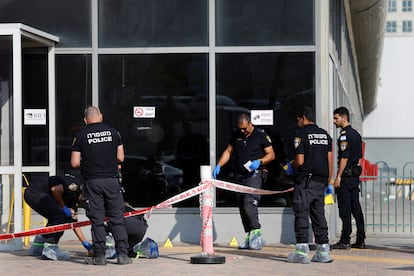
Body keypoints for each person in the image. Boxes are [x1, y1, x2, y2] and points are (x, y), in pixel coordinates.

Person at [71, 106, 131, 265]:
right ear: (101, 117)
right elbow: (121, 158)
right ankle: (123, 255)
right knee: (117, 219)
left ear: (85, 120)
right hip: (111, 182)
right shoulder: (114, 133)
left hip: (92, 183)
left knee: (97, 220)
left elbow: (75, 162)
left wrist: (89, 161)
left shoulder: (81, 136)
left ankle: (99, 257)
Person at [212, 113, 275, 250]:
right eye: (240, 129)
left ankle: (257, 233)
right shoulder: (237, 134)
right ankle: (249, 233)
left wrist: (260, 161)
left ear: (250, 124)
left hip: (255, 174)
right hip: (240, 175)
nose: (242, 131)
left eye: (245, 129)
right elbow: (228, 151)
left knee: (249, 202)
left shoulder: (260, 135)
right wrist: (219, 165)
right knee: (242, 204)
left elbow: (271, 154)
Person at [286, 107, 333, 264]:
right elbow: (330, 160)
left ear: (304, 118)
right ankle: (323, 251)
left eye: (298, 119)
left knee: (301, 213)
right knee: (318, 214)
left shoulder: (301, 135)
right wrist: (329, 181)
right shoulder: (325, 135)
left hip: (305, 181)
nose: (297, 123)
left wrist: (290, 166)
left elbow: (299, 160)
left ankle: (301, 251)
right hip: (321, 181)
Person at [24, 174, 93, 260]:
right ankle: (50, 249)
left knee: (57, 219)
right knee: (60, 217)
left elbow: (74, 223)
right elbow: (55, 189)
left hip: (35, 194)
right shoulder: (75, 186)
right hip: (36, 192)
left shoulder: (73, 200)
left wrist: (86, 244)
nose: (81, 204)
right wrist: (63, 207)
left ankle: (38, 246)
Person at [331, 106, 366, 250]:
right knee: (356, 208)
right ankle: (361, 238)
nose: (334, 121)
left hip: (346, 177)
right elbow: (358, 157)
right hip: (354, 176)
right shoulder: (356, 134)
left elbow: (344, 158)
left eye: (336, 118)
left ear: (344, 118)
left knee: (345, 209)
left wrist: (338, 176)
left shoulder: (344, 135)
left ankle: (345, 240)